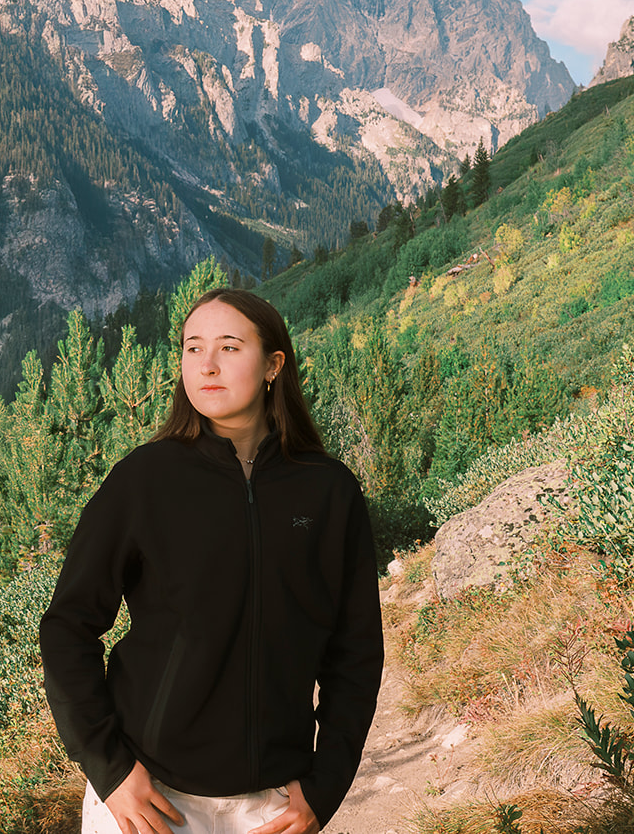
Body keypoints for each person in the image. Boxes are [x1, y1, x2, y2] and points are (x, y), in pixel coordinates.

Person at [40, 289, 385, 834]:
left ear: (274, 365)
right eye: (192, 347)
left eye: (229, 346)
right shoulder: (144, 481)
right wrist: (110, 770)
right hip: (147, 798)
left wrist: (325, 785)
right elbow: (67, 627)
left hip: (269, 808)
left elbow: (356, 654)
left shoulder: (328, 493)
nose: (206, 365)